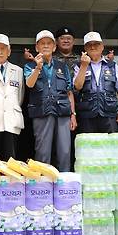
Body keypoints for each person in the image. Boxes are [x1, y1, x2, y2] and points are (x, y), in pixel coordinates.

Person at [24, 30, 77, 172]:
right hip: (41, 111)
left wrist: (73, 114)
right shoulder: (29, 65)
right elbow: (29, 84)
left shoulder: (62, 66)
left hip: (63, 112)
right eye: (42, 43)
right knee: (43, 151)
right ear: (37, 47)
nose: (46, 46)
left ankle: (64, 185)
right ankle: (43, 186)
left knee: (65, 150)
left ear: (54, 47)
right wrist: (38, 67)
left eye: (49, 43)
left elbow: (69, 91)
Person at [73, 32, 118, 133]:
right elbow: (77, 86)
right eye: (89, 45)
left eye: (96, 44)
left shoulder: (112, 66)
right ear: (85, 48)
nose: (93, 47)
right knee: (88, 145)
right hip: (87, 114)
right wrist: (84, 66)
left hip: (109, 112)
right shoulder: (79, 65)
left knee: (110, 145)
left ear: (102, 46)